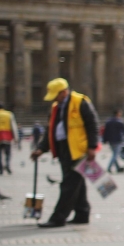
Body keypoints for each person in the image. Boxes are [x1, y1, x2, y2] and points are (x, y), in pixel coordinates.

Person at [31, 78, 99, 227]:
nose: (54, 99)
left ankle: (58, 218)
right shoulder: (56, 107)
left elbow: (92, 124)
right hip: (64, 150)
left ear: (63, 92)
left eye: (56, 95)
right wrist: (41, 149)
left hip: (79, 151)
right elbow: (51, 130)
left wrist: (92, 147)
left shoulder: (80, 102)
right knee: (77, 184)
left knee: (69, 185)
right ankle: (82, 213)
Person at [103, 109, 124, 173]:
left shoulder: (108, 121)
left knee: (114, 154)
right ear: (118, 113)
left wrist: (105, 139)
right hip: (117, 140)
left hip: (110, 140)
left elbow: (105, 131)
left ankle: (118, 167)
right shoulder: (119, 121)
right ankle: (109, 167)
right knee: (115, 155)